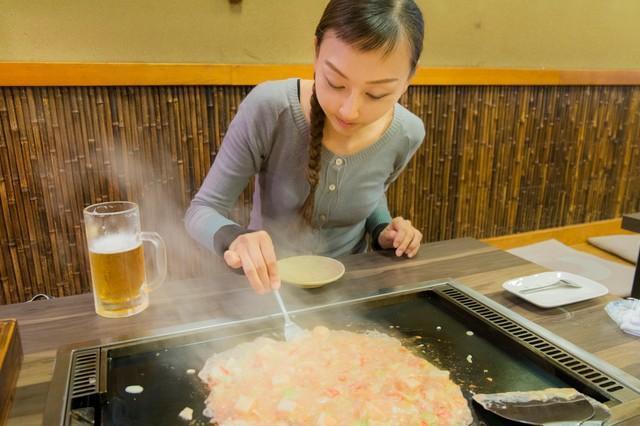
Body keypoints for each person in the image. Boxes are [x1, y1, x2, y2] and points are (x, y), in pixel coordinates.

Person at [185, 0, 426, 294]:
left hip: (353, 289)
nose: (350, 111)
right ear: (316, 52)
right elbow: (201, 211)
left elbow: (372, 192)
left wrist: (383, 230)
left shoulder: (408, 133)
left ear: (408, 81)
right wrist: (235, 237)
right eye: (335, 83)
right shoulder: (270, 108)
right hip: (271, 291)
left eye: (376, 94)